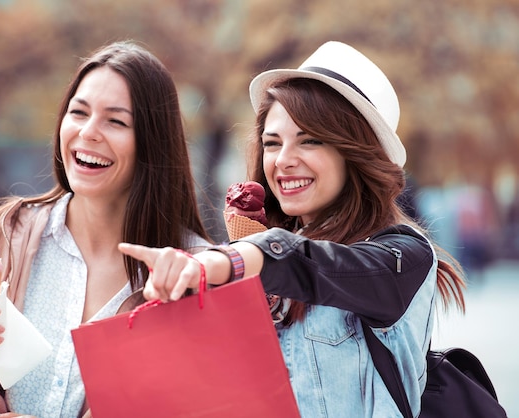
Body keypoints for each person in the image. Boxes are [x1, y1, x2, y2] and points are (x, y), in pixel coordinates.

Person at [119, 41, 466, 417]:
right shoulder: (255, 256)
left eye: (310, 141)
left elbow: (315, 265)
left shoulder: (403, 256)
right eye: (272, 143)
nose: (283, 160)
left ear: (357, 153)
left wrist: (227, 261)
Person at [0, 40, 211, 417]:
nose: (88, 132)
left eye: (116, 120)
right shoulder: (7, 234)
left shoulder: (192, 270)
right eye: (79, 112)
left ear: (152, 143)